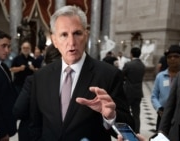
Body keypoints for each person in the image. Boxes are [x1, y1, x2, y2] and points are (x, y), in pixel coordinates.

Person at [30, 5, 134, 141]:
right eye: (64, 35)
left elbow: (130, 128)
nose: (71, 42)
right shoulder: (41, 76)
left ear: (86, 35)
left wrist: (111, 117)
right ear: (54, 40)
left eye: (77, 33)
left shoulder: (109, 74)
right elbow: (35, 125)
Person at [151, 45, 180, 130]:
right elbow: (154, 96)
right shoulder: (160, 76)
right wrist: (159, 108)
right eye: (169, 57)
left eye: (176, 56)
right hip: (163, 114)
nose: (172, 59)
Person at [122, 47, 146, 133]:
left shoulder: (129, 64)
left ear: (131, 54)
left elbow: (121, 75)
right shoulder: (142, 65)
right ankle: (137, 132)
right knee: (136, 114)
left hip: (128, 91)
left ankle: (127, 132)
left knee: (126, 113)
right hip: (138, 92)